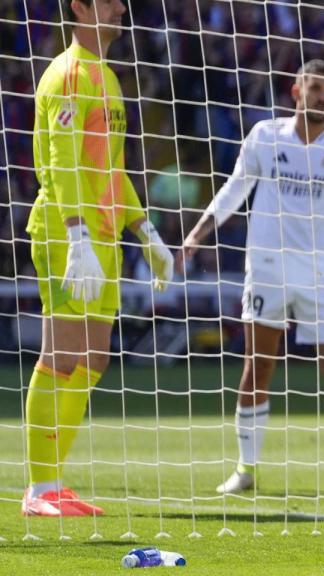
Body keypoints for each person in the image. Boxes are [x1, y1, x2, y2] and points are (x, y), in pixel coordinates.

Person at [177, 60, 324, 494]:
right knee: (259, 365)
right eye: (316, 89)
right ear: (297, 91)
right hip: (268, 266)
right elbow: (235, 187)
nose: (323, 98)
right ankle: (246, 469)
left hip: (323, 271)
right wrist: (197, 235)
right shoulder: (265, 136)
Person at [22, 0, 174, 517]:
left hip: (104, 237)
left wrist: (146, 231)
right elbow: (61, 162)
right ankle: (40, 488)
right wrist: (76, 234)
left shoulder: (107, 76)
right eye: (107, 1)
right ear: (79, 8)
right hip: (68, 234)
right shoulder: (69, 74)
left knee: (95, 358)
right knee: (61, 356)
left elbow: (112, 168)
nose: (120, 8)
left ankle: (53, 481)